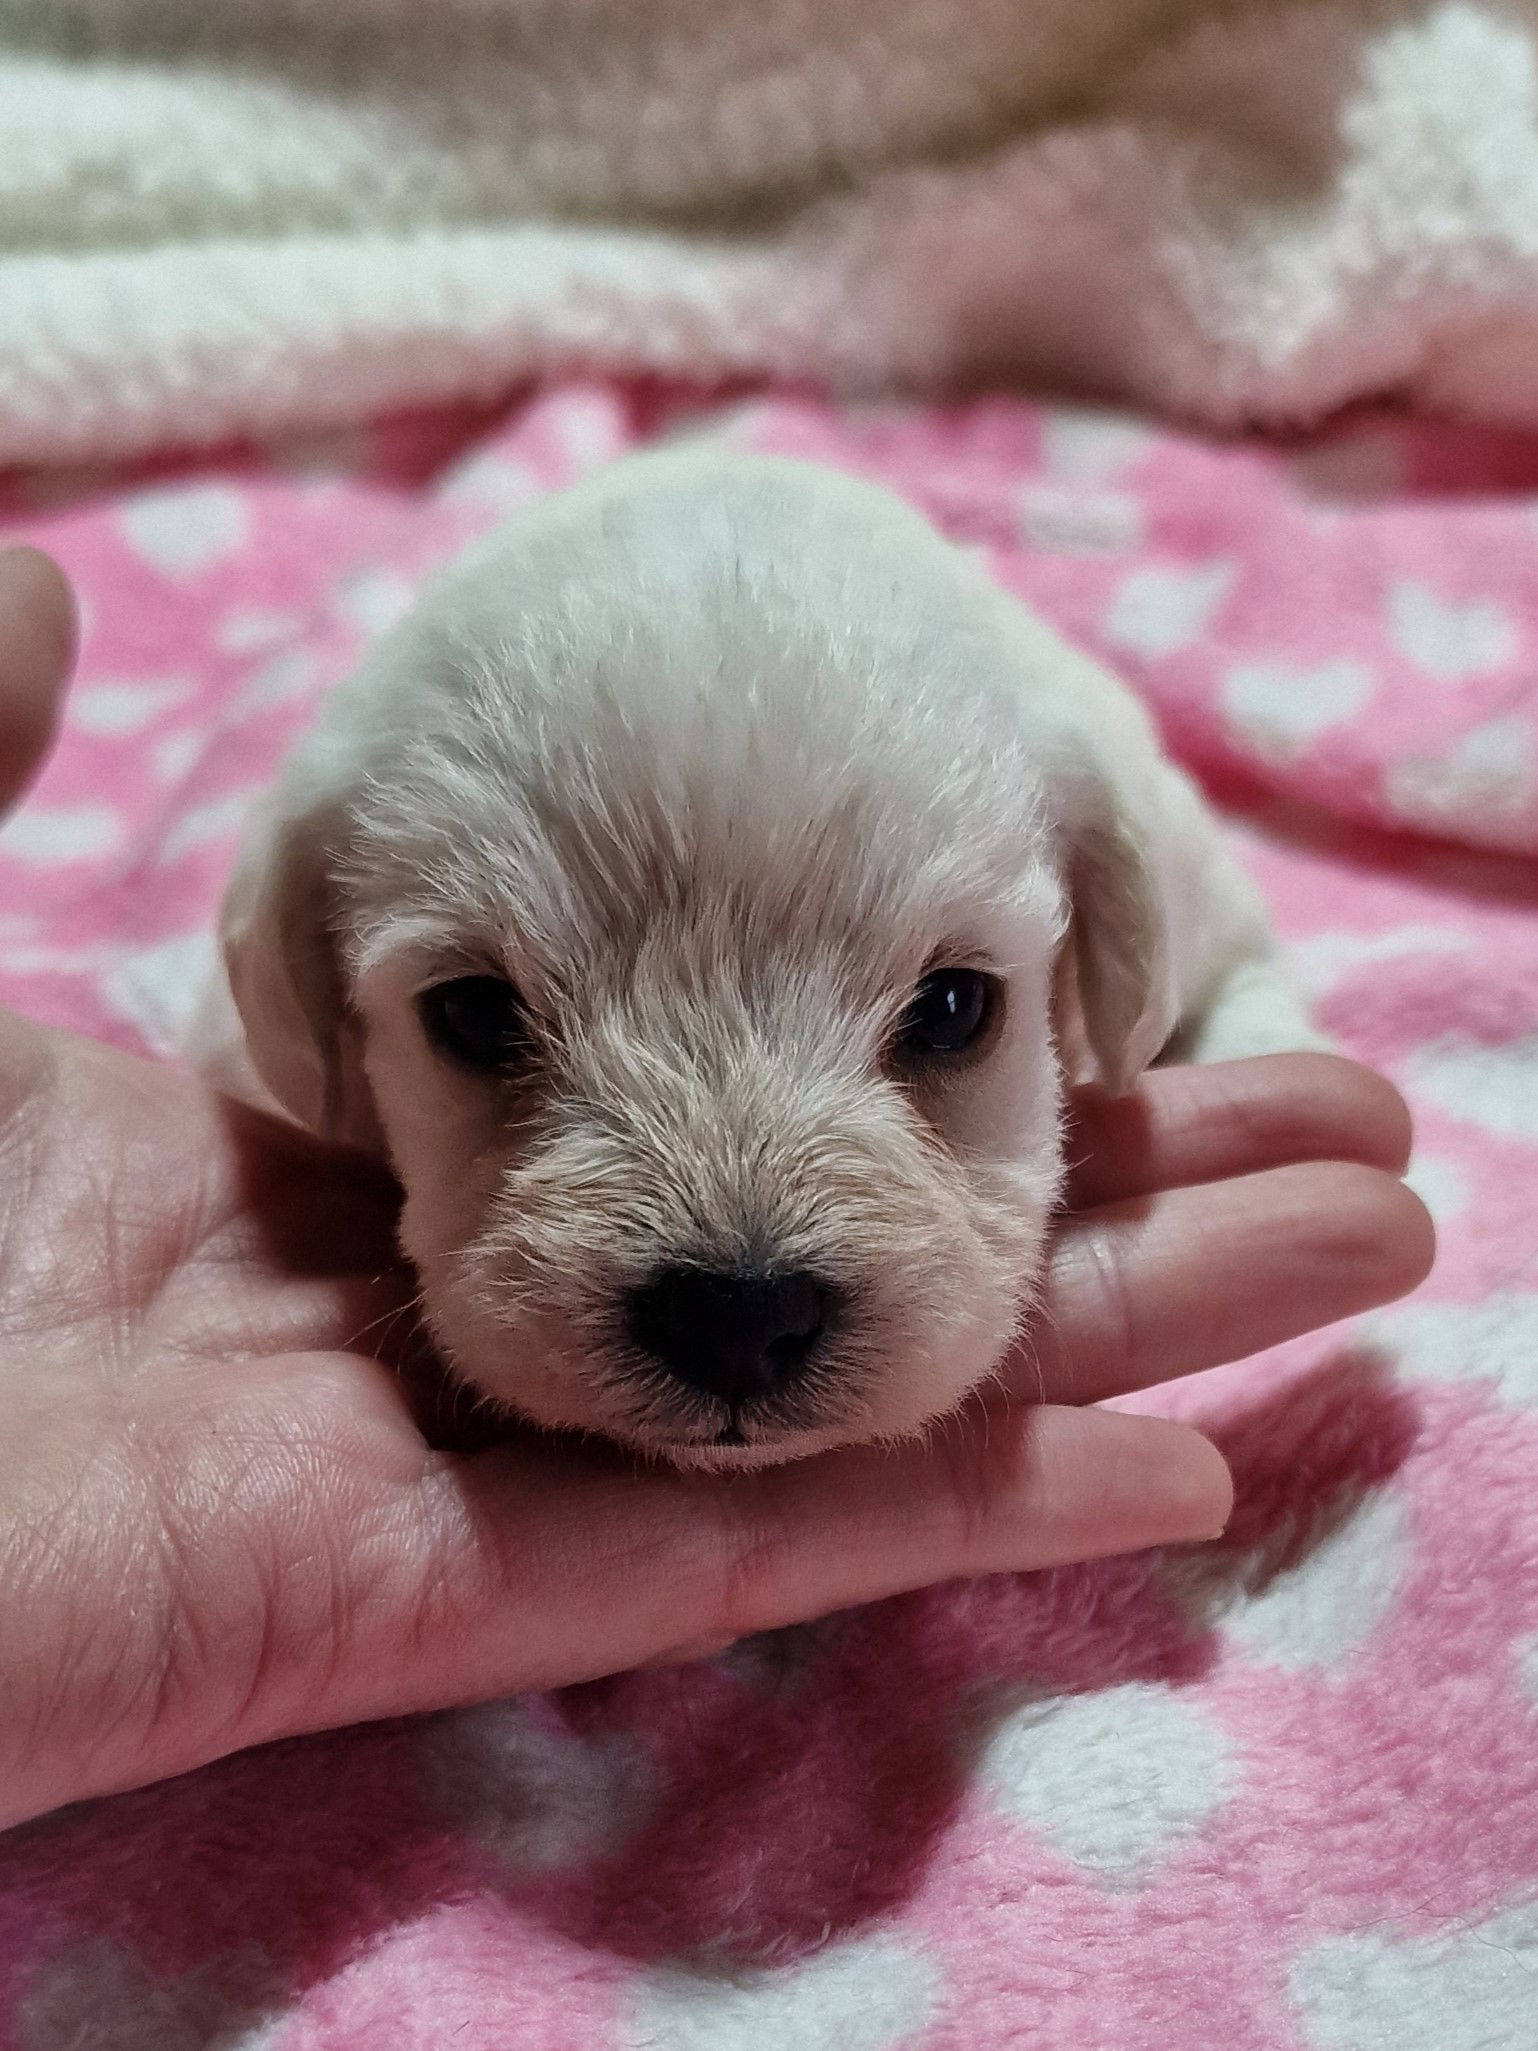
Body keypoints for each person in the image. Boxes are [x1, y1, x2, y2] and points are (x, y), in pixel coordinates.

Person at [0, 547, 1433, 1832]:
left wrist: (1235, 1023)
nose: (741, 1286)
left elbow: (1225, 953)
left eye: (942, 1015)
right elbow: (263, 1059)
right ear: (317, 983)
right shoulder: (332, 846)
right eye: (489, 1025)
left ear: (1094, 944)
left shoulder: (1057, 757)